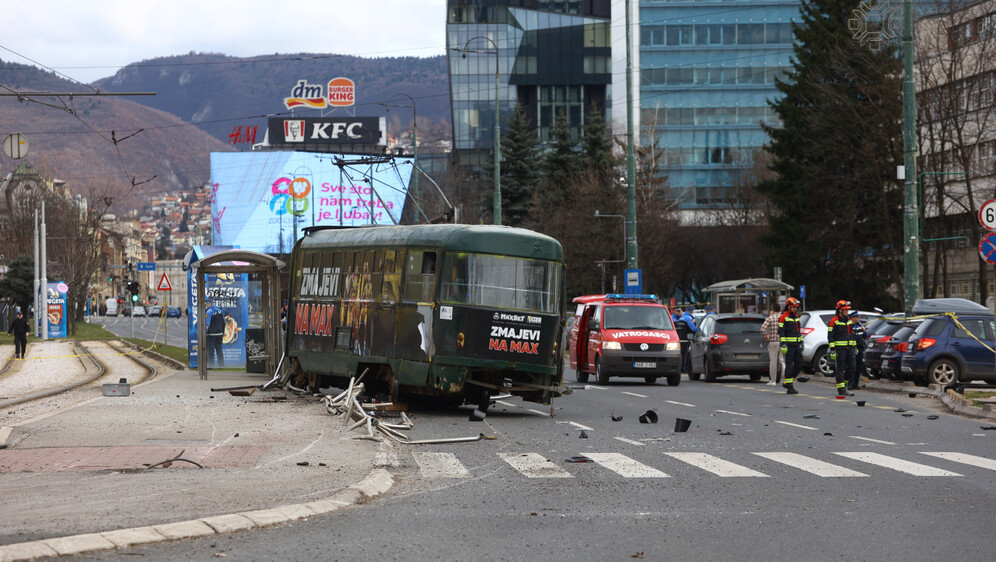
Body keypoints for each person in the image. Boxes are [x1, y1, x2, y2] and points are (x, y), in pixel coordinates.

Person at [827, 300, 856, 397]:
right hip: (839, 349)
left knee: (852, 367)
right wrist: (832, 349)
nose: (847, 312)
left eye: (848, 310)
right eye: (845, 310)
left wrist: (854, 346)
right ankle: (841, 389)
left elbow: (852, 334)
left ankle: (844, 384)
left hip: (849, 348)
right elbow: (830, 336)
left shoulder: (849, 320)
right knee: (840, 369)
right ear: (840, 310)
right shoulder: (833, 321)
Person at [778, 297, 804, 394]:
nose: (795, 309)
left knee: (799, 364)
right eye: (793, 307)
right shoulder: (784, 317)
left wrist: (801, 342)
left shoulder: (796, 317)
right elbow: (781, 331)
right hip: (788, 345)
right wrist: (783, 344)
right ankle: (789, 386)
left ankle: (788, 381)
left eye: (796, 307)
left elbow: (798, 331)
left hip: (796, 345)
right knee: (789, 365)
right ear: (789, 307)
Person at [761, 304, 784, 386]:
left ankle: (773, 381)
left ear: (773, 309)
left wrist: (766, 338)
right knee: (782, 360)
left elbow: (762, 329)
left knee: (773, 362)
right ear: (780, 309)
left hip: (773, 342)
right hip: (783, 341)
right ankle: (786, 379)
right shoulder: (783, 317)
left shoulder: (771, 317)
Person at [848, 310, 867, 390]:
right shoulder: (849, 325)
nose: (858, 318)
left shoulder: (860, 325)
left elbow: (865, 336)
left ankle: (856, 383)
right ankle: (850, 384)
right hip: (852, 348)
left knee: (858, 367)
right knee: (852, 366)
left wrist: (864, 331)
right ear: (853, 318)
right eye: (857, 317)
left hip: (860, 348)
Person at [676, 306, 698, 373]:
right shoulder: (689, 318)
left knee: (681, 354)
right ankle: (684, 368)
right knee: (686, 354)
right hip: (686, 339)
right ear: (691, 311)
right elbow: (693, 329)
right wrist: (699, 328)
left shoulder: (681, 317)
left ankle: (681, 367)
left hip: (679, 339)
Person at [205, 300, 226, 368]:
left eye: (206, 304)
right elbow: (223, 322)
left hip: (211, 334)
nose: (206, 305)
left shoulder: (209, 312)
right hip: (219, 333)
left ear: (209, 304)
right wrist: (223, 331)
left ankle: (211, 365)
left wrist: (206, 331)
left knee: (211, 350)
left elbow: (207, 323)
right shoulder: (220, 311)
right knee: (219, 350)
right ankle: (221, 365)